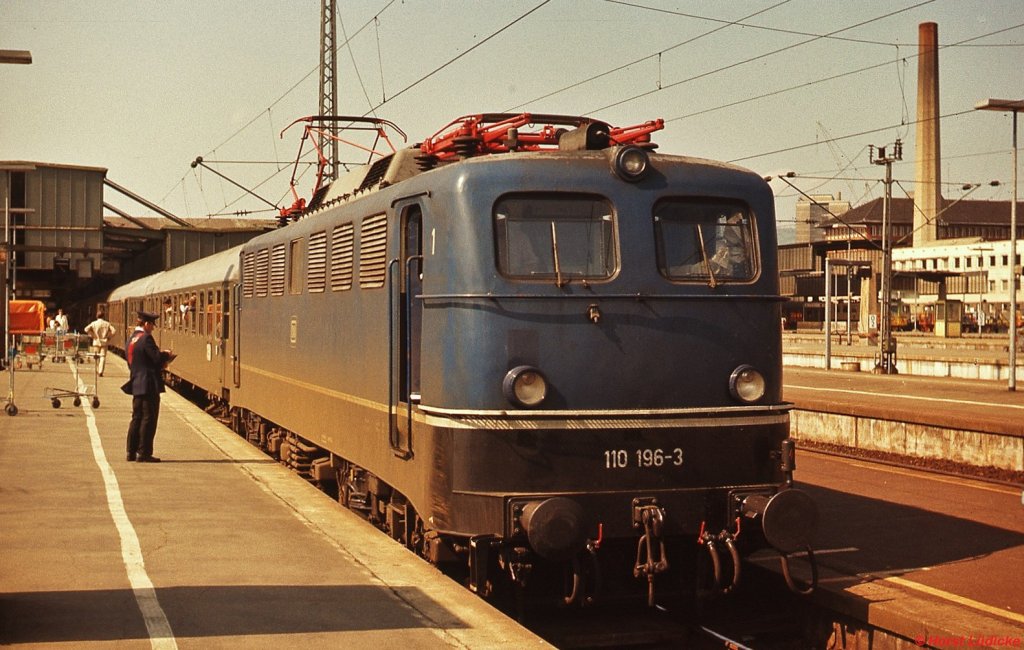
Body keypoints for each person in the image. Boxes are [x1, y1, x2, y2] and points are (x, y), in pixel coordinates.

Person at [121, 310, 174, 463]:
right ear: (146, 324)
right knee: (148, 418)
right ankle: (144, 453)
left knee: (136, 418)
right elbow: (156, 358)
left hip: (136, 382)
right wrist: (166, 355)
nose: (153, 328)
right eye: (152, 325)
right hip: (148, 384)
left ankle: (131, 452)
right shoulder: (146, 338)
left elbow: (136, 359)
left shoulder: (132, 338)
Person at [84, 308, 116, 377]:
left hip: (96, 342)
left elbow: (86, 329)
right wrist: (109, 337)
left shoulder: (94, 323)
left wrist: (92, 335)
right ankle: (100, 371)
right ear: (103, 316)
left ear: (97, 316)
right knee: (103, 357)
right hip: (104, 342)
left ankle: (97, 369)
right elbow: (114, 331)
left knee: (96, 357)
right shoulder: (107, 324)